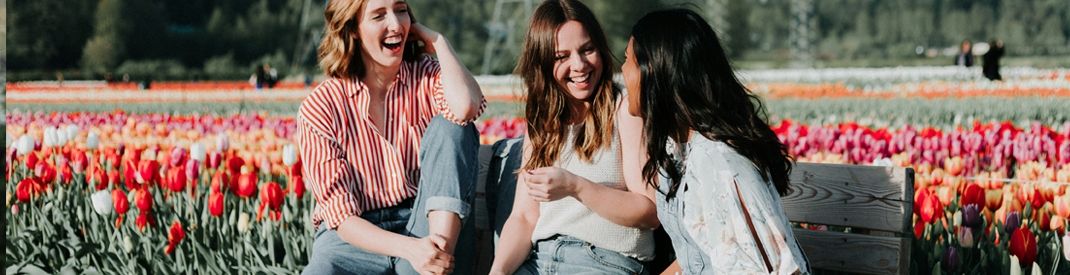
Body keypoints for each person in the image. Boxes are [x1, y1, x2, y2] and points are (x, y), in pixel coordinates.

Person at [298, 0, 486, 274]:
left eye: (401, 10)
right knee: (323, 269)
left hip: (427, 225)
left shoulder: (426, 76)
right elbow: (342, 217)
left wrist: (439, 42)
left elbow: (466, 108)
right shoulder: (322, 107)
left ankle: (437, 264)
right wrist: (409, 249)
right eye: (379, 16)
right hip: (355, 240)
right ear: (352, 29)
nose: (396, 25)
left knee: (452, 127)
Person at [622, 9, 811, 274]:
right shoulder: (679, 149)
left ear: (654, 70)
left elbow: (778, 268)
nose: (622, 70)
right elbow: (697, 256)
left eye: (627, 59)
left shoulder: (719, 162)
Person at [490, 1, 658, 274]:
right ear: (543, 62)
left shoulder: (624, 110)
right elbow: (524, 217)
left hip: (604, 261)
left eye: (587, 49)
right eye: (561, 56)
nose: (579, 65)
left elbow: (649, 211)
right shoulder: (543, 121)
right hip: (539, 260)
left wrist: (575, 186)